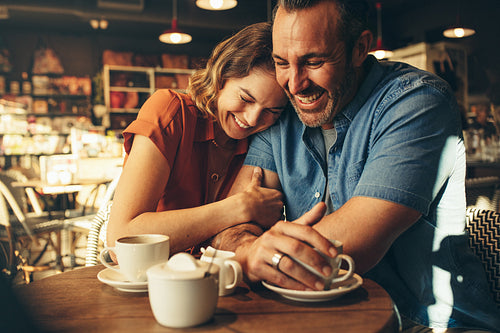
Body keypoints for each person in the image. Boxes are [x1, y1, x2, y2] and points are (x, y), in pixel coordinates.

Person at [211, 1, 500, 331]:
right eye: (282, 63)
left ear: (360, 48)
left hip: (424, 323)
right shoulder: (281, 113)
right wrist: (249, 250)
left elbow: (348, 251)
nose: (294, 83)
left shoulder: (417, 103)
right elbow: (230, 227)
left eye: (313, 61)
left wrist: (255, 255)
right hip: (322, 318)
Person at [106, 22, 287, 256]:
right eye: (246, 98)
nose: (252, 119)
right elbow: (119, 241)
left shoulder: (264, 140)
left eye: (272, 111)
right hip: (149, 281)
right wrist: (240, 207)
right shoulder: (170, 111)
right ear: (221, 75)